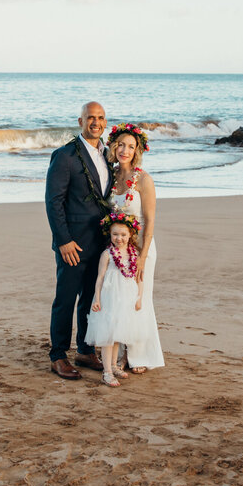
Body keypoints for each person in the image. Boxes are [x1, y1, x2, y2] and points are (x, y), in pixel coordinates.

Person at [45, 102, 114, 380]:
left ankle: (85, 350)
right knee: (65, 299)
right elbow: (54, 201)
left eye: (100, 118)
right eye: (90, 118)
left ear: (105, 122)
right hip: (72, 244)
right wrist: (63, 240)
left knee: (90, 298)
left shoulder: (108, 154)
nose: (95, 123)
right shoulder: (65, 156)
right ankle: (58, 355)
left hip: (100, 243)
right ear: (80, 121)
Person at [106, 123, 164, 373]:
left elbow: (150, 220)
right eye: (121, 144)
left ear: (137, 149)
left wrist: (142, 255)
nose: (124, 150)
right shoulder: (110, 176)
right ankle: (119, 353)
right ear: (113, 146)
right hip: (117, 249)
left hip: (141, 249)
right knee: (120, 300)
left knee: (139, 299)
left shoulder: (144, 179)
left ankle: (137, 355)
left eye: (130, 146)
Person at [86, 213, 145, 387]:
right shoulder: (107, 254)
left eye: (123, 235)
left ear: (131, 235)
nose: (119, 238)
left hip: (125, 298)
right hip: (109, 298)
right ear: (109, 235)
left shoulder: (134, 254)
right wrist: (97, 299)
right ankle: (107, 372)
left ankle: (114, 365)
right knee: (107, 335)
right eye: (115, 235)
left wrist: (139, 297)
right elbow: (100, 278)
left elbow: (139, 278)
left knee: (118, 333)